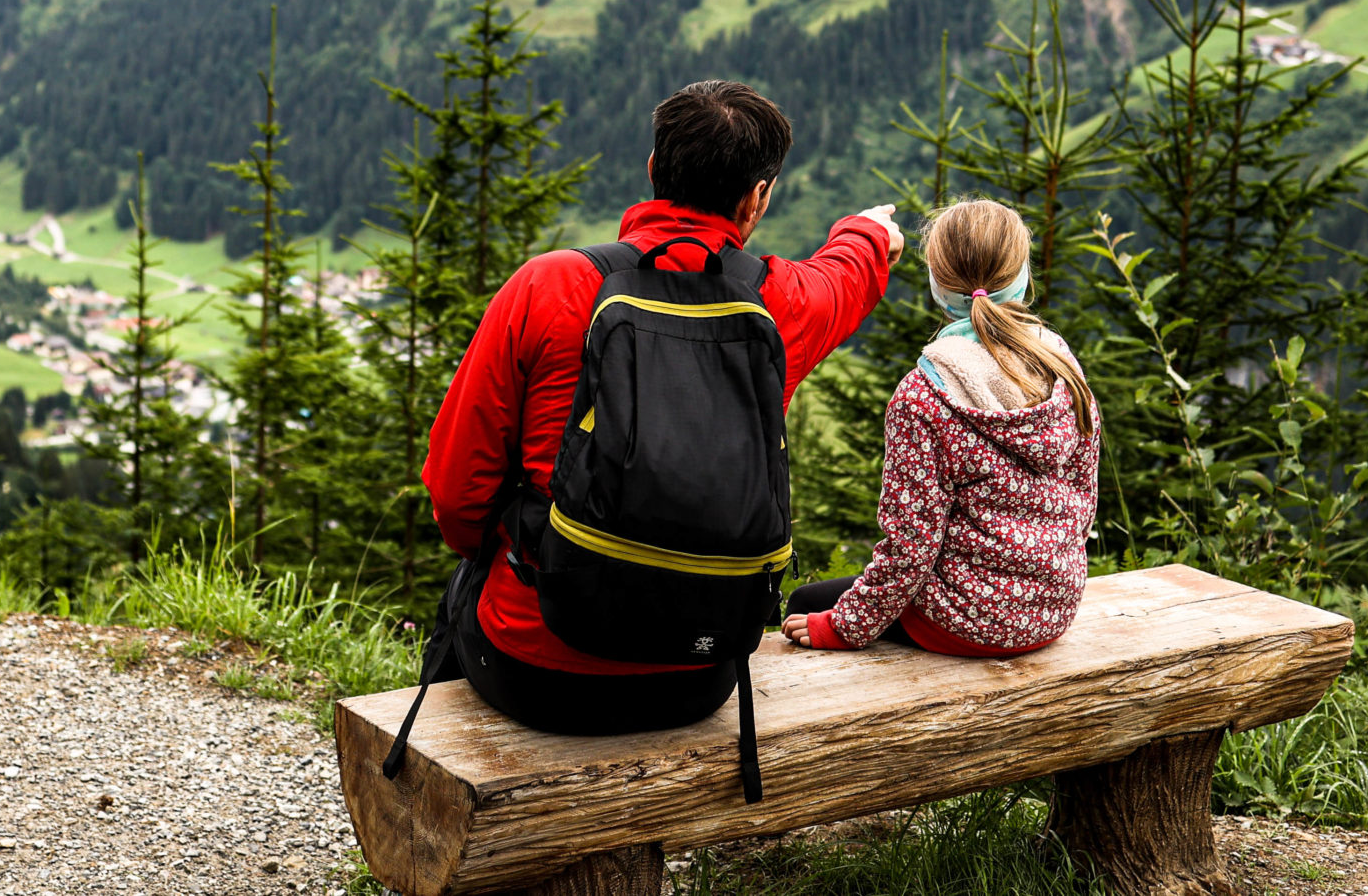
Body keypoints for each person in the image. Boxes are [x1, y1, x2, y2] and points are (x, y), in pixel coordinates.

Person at [418, 78, 899, 736]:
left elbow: (455, 492)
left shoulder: (551, 284)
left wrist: (507, 547)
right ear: (757, 198)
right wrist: (870, 232)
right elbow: (842, 275)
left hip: (535, 665)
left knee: (464, 589)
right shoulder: (777, 304)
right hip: (699, 674)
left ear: (653, 171)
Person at [780, 197, 1099, 657]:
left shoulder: (924, 395)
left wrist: (845, 628)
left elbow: (911, 547)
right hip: (1052, 611)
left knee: (807, 603)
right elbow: (1083, 497)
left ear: (937, 284)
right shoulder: (1062, 366)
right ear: (1023, 276)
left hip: (961, 623)